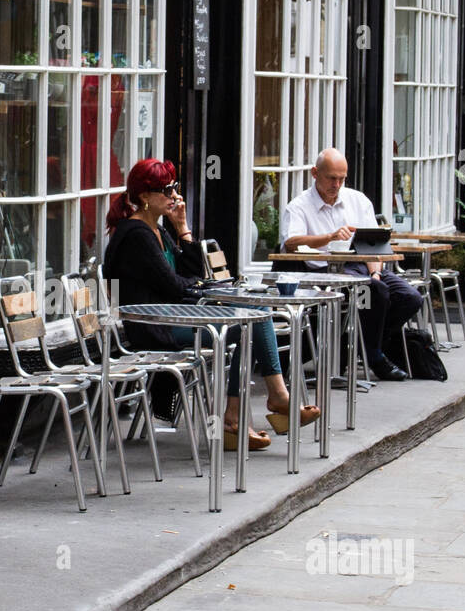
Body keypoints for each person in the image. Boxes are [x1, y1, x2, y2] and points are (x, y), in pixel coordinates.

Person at [103, 159, 319, 451]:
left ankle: (242, 413)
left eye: (175, 187)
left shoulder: (156, 230)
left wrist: (183, 229)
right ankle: (258, 406)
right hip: (154, 327)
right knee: (250, 323)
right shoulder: (136, 235)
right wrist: (199, 287)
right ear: (144, 196)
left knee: (255, 316)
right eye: (166, 189)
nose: (175, 195)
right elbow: (174, 285)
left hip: (174, 317)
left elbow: (189, 275)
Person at [280, 148, 422, 382]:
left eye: (341, 178)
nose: (337, 184)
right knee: (374, 292)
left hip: (362, 269)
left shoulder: (357, 200)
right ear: (315, 173)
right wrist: (329, 237)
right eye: (331, 178)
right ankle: (375, 356)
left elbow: (372, 245)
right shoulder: (299, 206)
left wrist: (375, 273)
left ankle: (353, 347)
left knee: (410, 298)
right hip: (322, 274)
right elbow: (291, 242)